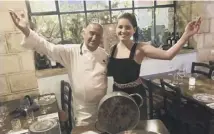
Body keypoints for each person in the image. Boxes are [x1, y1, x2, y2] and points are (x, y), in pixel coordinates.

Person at [9, 10, 108, 126]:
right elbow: (47, 47)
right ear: (83, 33)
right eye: (91, 33)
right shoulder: (71, 51)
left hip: (104, 109)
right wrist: (26, 30)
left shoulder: (105, 55)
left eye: (98, 35)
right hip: (84, 113)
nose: (94, 37)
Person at [107, 13, 201, 119]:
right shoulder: (112, 49)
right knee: (119, 126)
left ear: (134, 30)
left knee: (137, 129)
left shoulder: (140, 48)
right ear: (116, 29)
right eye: (120, 27)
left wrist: (186, 35)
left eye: (127, 27)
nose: (123, 31)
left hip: (136, 96)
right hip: (118, 96)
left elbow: (168, 55)